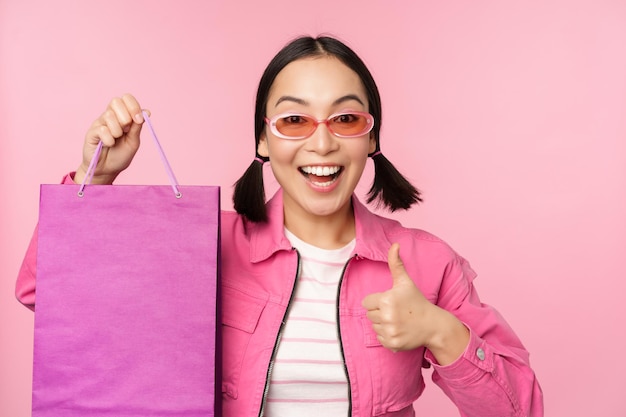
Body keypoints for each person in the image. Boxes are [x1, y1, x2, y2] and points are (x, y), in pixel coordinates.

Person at [16, 35, 543, 416]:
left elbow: (521, 408)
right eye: (294, 120)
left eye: (346, 118)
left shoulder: (426, 261)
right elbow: (49, 297)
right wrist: (97, 182)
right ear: (263, 141)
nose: (321, 143)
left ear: (371, 137)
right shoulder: (206, 243)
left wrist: (439, 330)